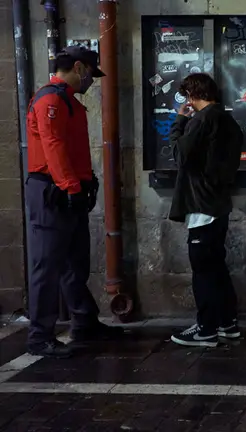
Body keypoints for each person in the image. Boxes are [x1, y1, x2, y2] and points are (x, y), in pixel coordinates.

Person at [24, 46, 124, 358]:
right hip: (53, 191)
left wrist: (84, 182)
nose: (91, 81)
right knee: (47, 267)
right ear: (78, 67)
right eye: (91, 74)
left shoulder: (68, 101)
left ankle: (84, 322)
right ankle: (40, 337)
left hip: (69, 189)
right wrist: (71, 187)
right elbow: (53, 146)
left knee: (75, 263)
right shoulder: (51, 100)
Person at [167, 73, 244, 347]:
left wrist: (180, 121)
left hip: (201, 205)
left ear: (191, 95)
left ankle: (206, 329)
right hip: (219, 204)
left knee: (203, 270)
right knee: (217, 267)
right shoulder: (228, 121)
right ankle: (227, 323)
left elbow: (180, 155)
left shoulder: (201, 120)